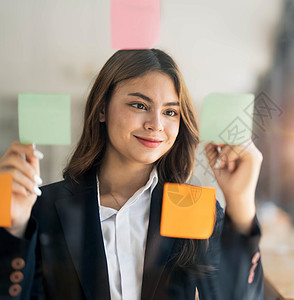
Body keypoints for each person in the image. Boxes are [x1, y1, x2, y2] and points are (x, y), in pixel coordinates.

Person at [0, 49, 263, 299]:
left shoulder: (194, 210)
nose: (156, 125)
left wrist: (241, 204)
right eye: (139, 105)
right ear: (102, 109)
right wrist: (13, 228)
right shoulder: (41, 207)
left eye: (170, 112)